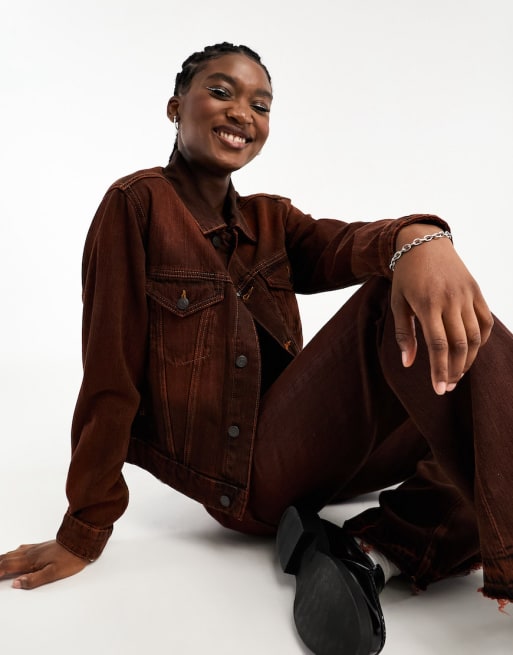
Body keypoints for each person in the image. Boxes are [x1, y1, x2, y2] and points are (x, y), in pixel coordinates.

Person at [0, 41, 512, 655]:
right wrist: (82, 531)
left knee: (482, 413)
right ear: (174, 107)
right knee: (393, 305)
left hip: (323, 465)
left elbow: (345, 244)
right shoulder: (136, 205)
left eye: (261, 104)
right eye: (221, 92)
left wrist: (421, 238)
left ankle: (371, 552)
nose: (243, 112)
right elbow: (110, 378)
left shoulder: (272, 219)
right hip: (246, 481)